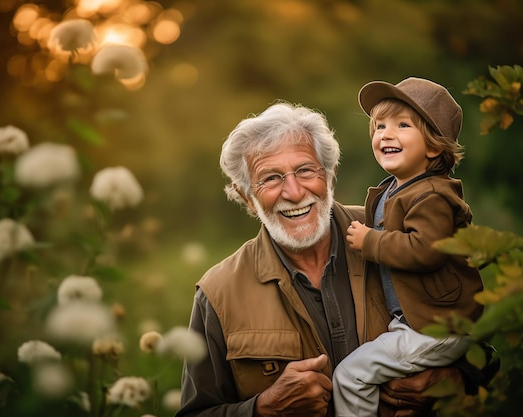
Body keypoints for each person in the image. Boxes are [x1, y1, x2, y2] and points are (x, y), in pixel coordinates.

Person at [175, 100, 474, 417]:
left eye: (305, 170)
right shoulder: (218, 293)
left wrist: (456, 377)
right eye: (271, 178)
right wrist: (264, 409)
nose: (293, 192)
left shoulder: (399, 236)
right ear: (248, 197)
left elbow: (478, 330)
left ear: (330, 174)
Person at [332, 77, 484, 416]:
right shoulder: (397, 189)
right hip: (417, 321)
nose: (385, 133)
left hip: (436, 326)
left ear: (433, 147)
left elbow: (425, 249)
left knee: (350, 376)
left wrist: (371, 240)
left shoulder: (432, 195)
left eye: (402, 125)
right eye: (379, 125)